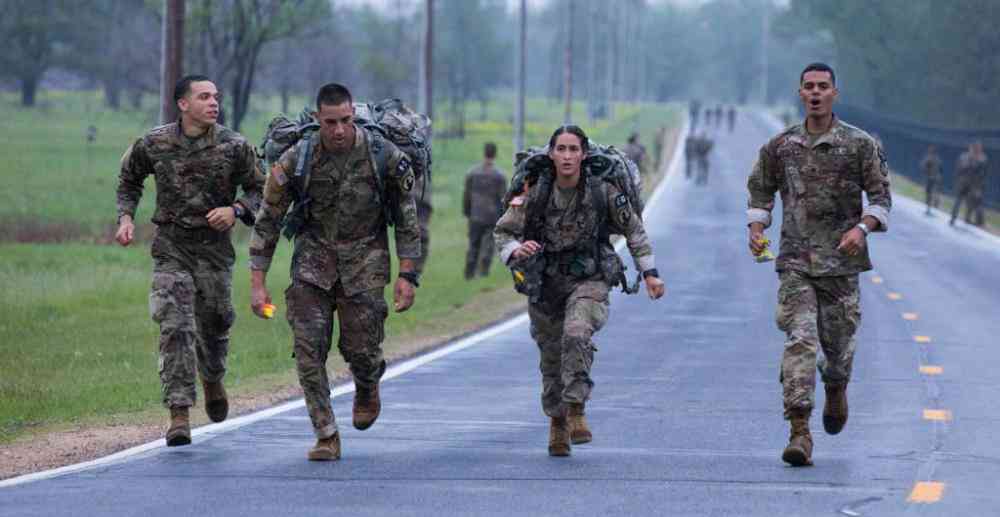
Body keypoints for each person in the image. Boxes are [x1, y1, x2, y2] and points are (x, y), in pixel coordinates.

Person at [248, 83, 421, 461]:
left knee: (361, 350)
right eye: (330, 122)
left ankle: (367, 381)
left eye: (345, 120)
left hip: (366, 264)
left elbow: (408, 220)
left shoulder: (383, 156)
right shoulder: (298, 159)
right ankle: (326, 433)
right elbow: (267, 221)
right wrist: (257, 282)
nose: (339, 129)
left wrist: (408, 275)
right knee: (309, 351)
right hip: (313, 265)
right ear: (317, 119)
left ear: (353, 116)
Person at [746, 63, 891, 467]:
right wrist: (756, 227)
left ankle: (838, 386)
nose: (815, 93)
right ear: (800, 93)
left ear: (834, 93)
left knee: (839, 349)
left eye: (822, 87)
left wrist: (862, 228)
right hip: (795, 263)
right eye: (808, 87)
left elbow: (881, 199)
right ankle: (799, 430)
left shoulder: (860, 145)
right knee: (801, 341)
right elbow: (760, 191)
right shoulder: (781, 146)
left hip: (842, 266)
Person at [494, 125, 666, 457]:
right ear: (552, 154)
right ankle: (557, 421)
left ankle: (576, 409)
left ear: (583, 155)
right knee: (551, 357)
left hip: (590, 277)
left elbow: (634, 230)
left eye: (574, 149)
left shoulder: (602, 191)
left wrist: (650, 273)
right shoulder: (536, 193)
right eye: (562, 149)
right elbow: (503, 232)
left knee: (576, 333)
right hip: (545, 283)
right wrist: (516, 250)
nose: (568, 156)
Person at [115, 74, 264, 446]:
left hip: (214, 253)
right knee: (176, 326)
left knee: (214, 323)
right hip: (171, 250)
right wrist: (126, 217)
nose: (214, 103)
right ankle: (179, 413)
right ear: (183, 104)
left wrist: (237, 209)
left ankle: (212, 377)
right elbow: (129, 178)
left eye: (216, 96)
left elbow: (262, 189)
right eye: (204, 96)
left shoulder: (235, 146)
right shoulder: (155, 142)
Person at [462, 142, 507, 279]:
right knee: (488, 246)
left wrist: (467, 211)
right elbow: (503, 197)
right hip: (492, 215)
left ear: (484, 153)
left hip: (475, 214)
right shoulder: (499, 175)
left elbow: (467, 195)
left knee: (473, 245)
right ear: (495, 154)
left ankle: (469, 273)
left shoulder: (472, 173)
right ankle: (483, 273)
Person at [950, 141, 988, 226]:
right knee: (960, 201)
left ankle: (966, 218)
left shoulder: (980, 158)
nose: (979, 150)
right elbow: (960, 168)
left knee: (970, 202)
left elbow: (982, 173)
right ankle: (954, 218)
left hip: (970, 184)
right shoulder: (967, 157)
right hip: (968, 183)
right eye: (978, 148)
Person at [920, 144, 942, 215]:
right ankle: (930, 207)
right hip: (931, 178)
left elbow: (924, 166)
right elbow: (923, 167)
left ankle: (932, 206)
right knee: (929, 193)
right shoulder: (932, 158)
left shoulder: (933, 158)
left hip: (932, 178)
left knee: (931, 193)